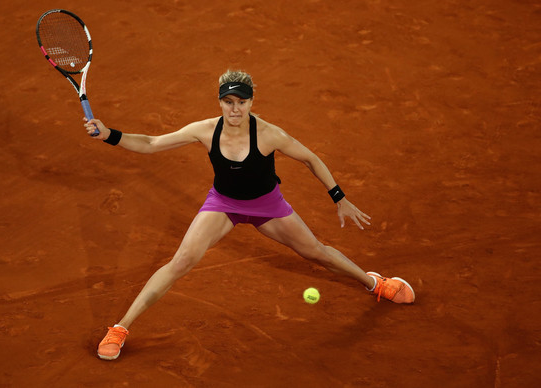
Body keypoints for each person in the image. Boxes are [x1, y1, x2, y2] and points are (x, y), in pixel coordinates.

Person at [84, 70, 415, 361]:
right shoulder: (204, 130)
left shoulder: (270, 134)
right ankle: (120, 329)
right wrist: (109, 134)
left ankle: (374, 283)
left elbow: (311, 159)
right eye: (228, 102)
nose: (235, 108)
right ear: (220, 103)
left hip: (267, 206)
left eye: (241, 102)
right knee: (180, 263)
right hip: (223, 205)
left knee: (316, 252)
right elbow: (152, 143)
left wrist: (339, 197)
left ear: (251, 102)